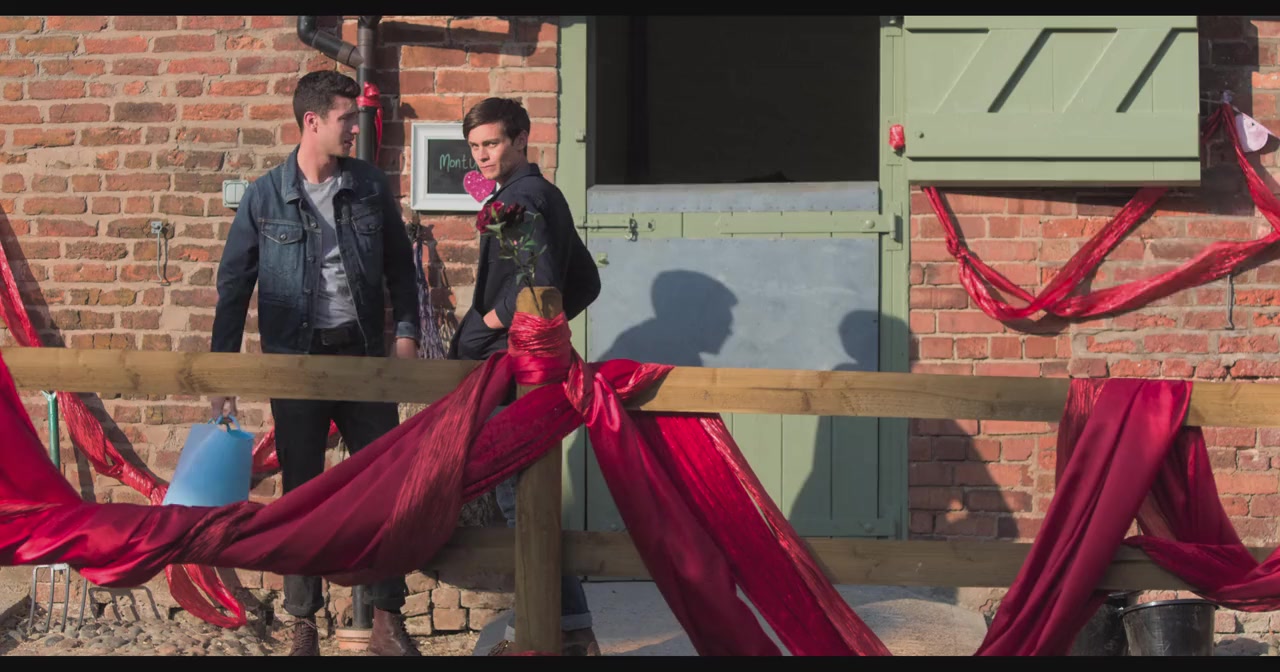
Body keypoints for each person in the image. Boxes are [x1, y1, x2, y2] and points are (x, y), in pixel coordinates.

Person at [209, 70, 421, 657]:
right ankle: (304, 622)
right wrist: (222, 375)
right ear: (312, 121)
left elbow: (401, 269)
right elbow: (233, 288)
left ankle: (387, 620)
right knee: (301, 492)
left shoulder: (370, 186)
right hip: (296, 363)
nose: (356, 128)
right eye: (347, 119)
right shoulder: (264, 196)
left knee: (386, 484)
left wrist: (406, 333)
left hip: (362, 359)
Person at [447, 97, 602, 656]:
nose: (482, 156)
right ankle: (572, 629)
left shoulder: (524, 198)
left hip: (511, 369)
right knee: (528, 499)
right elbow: (585, 282)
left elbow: (541, 281)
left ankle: (543, 633)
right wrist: (542, 326)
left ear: (520, 140)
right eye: (474, 147)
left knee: (520, 502)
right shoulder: (541, 194)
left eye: (491, 143)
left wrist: (488, 324)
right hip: (520, 362)